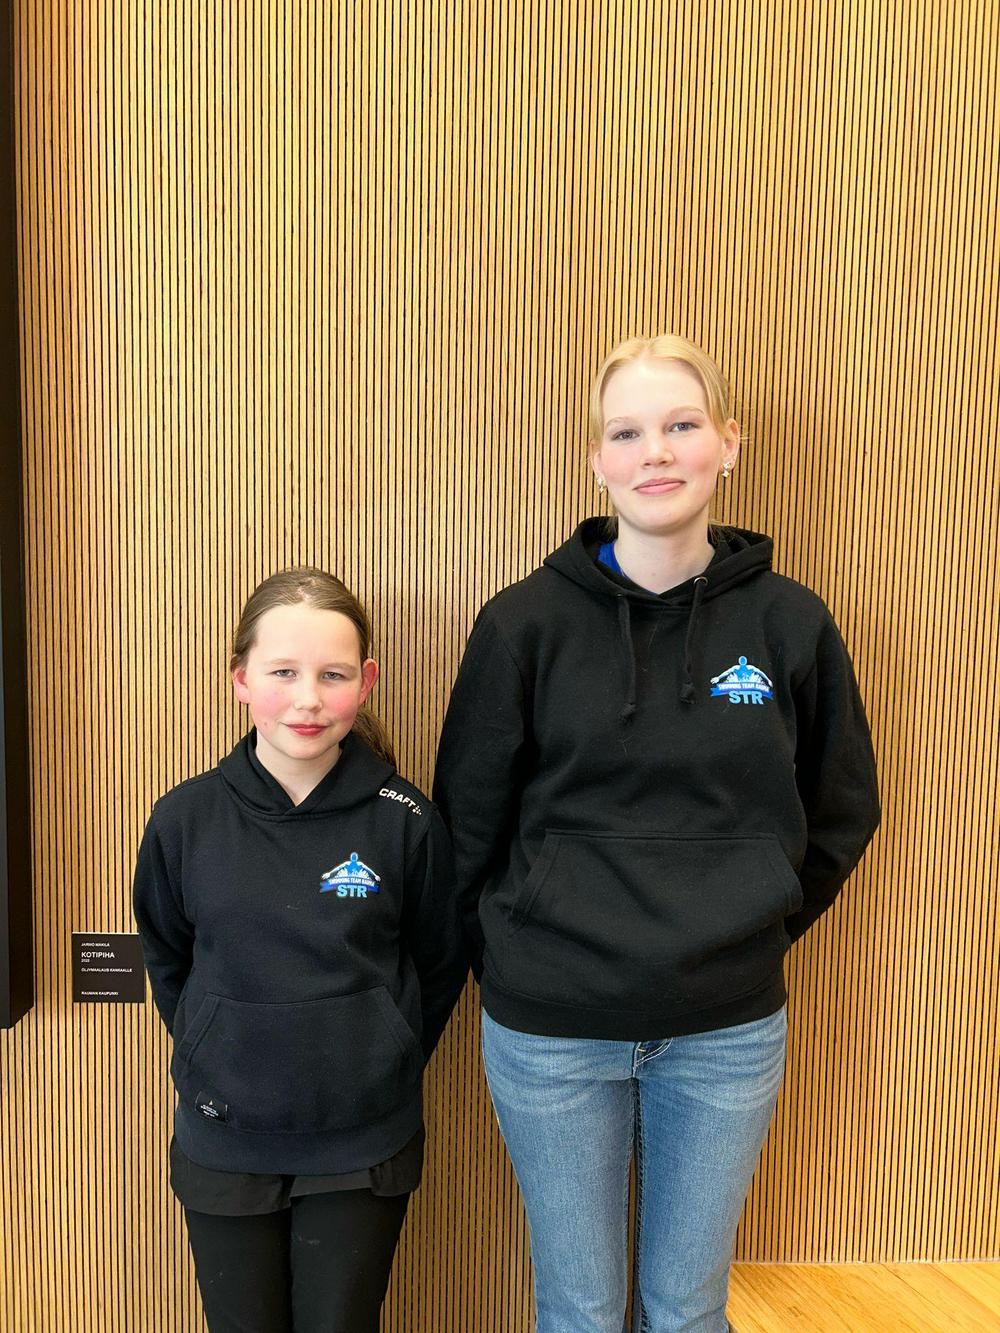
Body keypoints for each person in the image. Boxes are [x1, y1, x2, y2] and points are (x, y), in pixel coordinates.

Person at [433, 335, 880, 1333]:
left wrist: (750, 922)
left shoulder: (791, 624)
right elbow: (464, 828)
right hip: (551, 1031)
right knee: (582, 1311)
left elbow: (843, 806)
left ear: (728, 443)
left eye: (681, 425)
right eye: (628, 432)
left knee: (686, 1311)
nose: (657, 452)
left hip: (725, 1031)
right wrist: (518, 950)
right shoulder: (522, 625)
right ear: (597, 459)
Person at [134, 568, 466, 1333]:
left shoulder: (406, 820)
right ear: (240, 679)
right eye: (283, 672)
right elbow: (168, 954)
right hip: (225, 1138)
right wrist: (216, 1040)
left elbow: (439, 962)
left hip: (363, 1143)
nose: (308, 699)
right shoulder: (184, 820)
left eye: (333, 674)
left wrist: (383, 1046)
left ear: (367, 681)